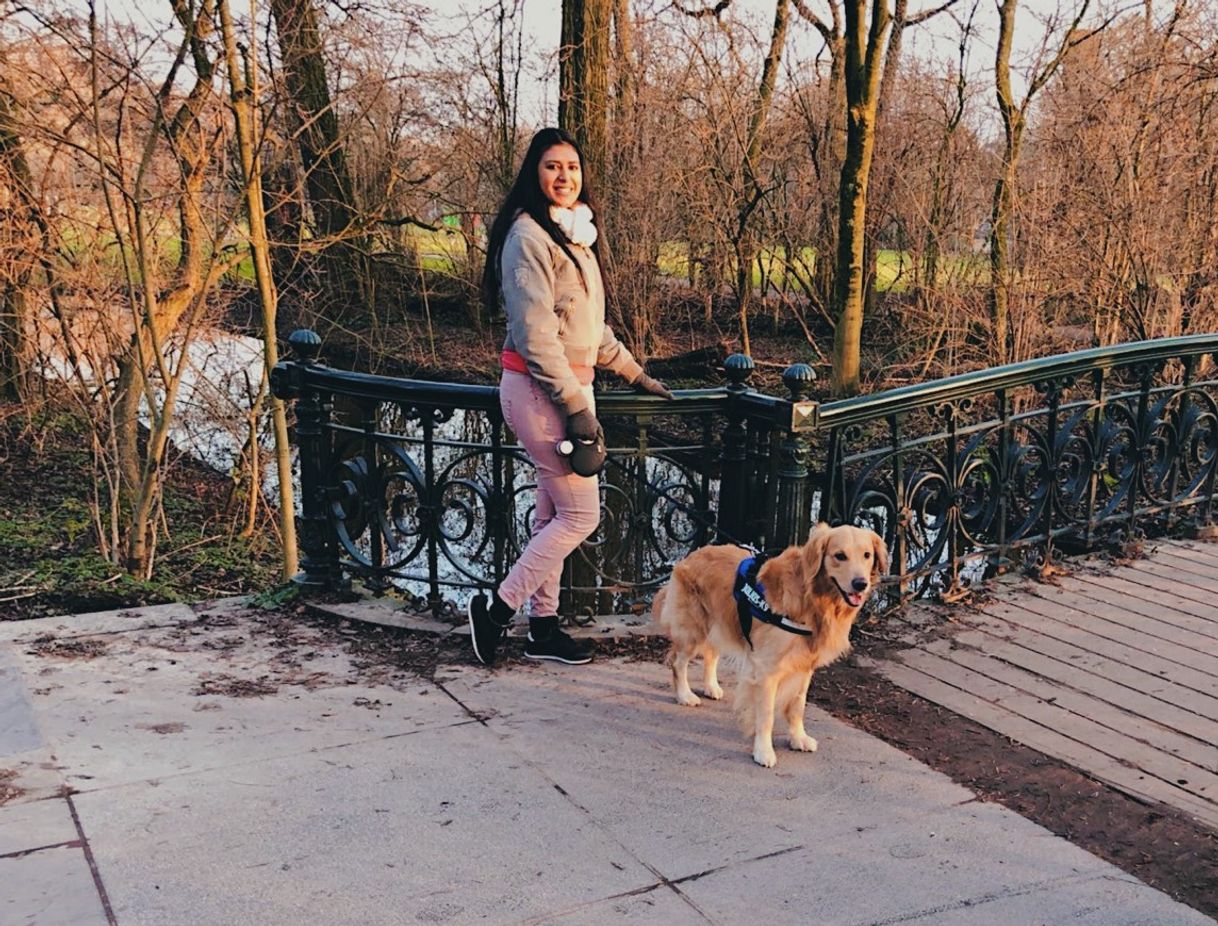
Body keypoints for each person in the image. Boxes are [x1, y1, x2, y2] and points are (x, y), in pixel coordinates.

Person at [468, 127, 674, 666]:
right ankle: (495, 612)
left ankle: (543, 627)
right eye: (553, 166)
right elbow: (537, 337)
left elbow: (589, 329)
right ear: (534, 174)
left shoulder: (573, 237)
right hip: (543, 395)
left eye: (573, 167)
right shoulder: (528, 239)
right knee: (580, 516)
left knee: (550, 517)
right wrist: (577, 407)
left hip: (568, 389)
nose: (565, 176)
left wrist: (634, 374)